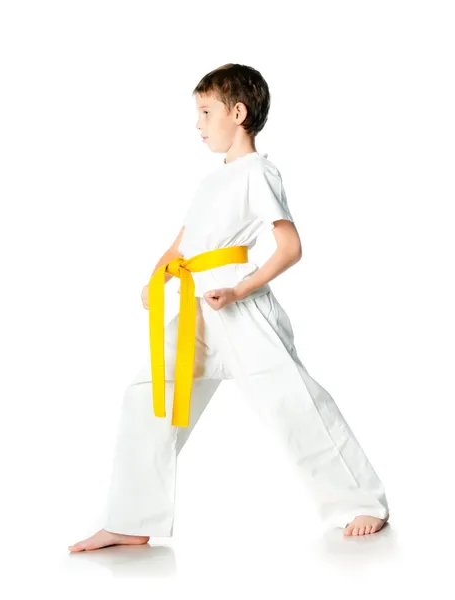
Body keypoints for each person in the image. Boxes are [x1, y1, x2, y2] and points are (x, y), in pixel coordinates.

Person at [69, 63, 390, 552]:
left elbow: (289, 247)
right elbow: (184, 242)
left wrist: (240, 292)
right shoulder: (210, 182)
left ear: (237, 113)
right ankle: (131, 518)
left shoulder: (259, 172)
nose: (197, 124)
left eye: (205, 112)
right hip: (198, 309)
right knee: (146, 396)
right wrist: (156, 277)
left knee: (292, 402)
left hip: (240, 310)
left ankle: (362, 500)